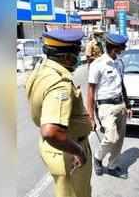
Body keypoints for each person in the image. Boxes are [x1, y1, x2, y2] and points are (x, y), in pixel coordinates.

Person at [25, 29, 92, 197]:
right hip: (67, 150)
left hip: (57, 148)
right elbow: (51, 131)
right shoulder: (60, 84)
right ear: (66, 57)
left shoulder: (43, 70)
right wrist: (77, 151)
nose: (79, 57)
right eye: (77, 52)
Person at [87, 33, 132, 177]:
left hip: (120, 105)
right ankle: (98, 157)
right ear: (114, 48)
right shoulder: (97, 64)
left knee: (119, 140)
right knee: (111, 137)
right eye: (121, 47)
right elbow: (90, 92)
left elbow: (122, 84)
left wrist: (128, 105)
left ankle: (112, 166)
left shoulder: (119, 62)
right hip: (106, 107)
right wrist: (91, 117)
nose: (123, 49)